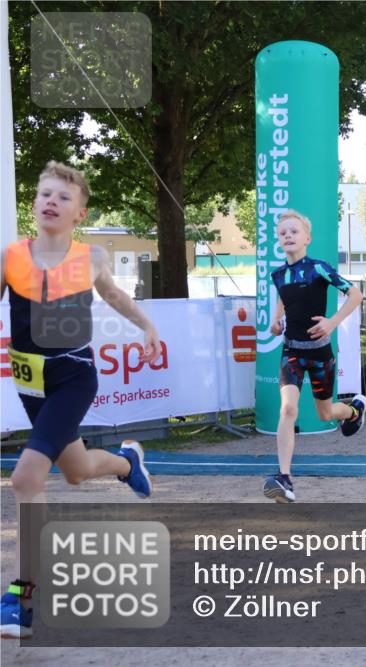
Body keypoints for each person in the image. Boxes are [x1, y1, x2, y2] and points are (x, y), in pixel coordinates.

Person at [1, 162, 162, 639]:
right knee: (74, 472)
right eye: (44, 194)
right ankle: (126, 462)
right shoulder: (11, 257)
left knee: (26, 477)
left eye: (63, 197)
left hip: (74, 376)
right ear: (33, 204)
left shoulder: (89, 257)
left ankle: (21, 599)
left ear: (79, 213)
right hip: (30, 380)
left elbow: (113, 295)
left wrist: (148, 326)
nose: (51, 201)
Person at [263, 210, 366, 504]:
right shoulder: (278, 274)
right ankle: (284, 478)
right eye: (283, 232)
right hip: (292, 352)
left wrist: (332, 322)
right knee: (288, 410)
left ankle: (354, 411)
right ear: (278, 240)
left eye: (294, 232)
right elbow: (284, 296)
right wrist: (275, 320)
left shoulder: (319, 269)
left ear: (306, 238)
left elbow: (356, 294)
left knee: (325, 413)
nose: (288, 236)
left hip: (321, 354)